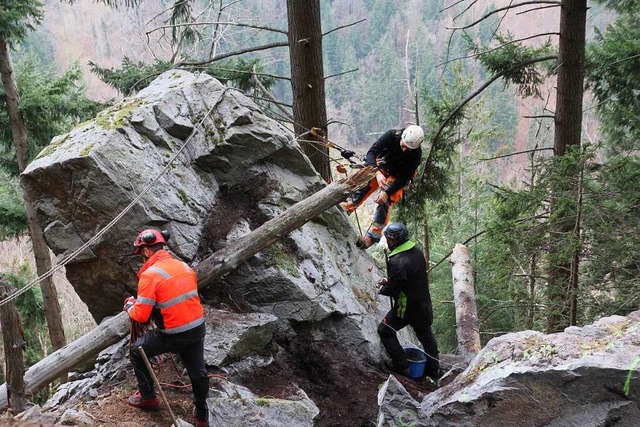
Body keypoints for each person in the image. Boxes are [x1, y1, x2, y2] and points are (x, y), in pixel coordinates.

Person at [123, 228, 210, 427]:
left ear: (146, 251)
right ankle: (202, 414)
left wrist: (129, 306)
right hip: (197, 328)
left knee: (137, 350)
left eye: (141, 253)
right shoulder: (184, 267)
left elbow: (141, 316)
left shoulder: (150, 275)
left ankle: (148, 397)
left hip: (173, 334)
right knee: (197, 371)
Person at [376, 223, 442, 383]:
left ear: (394, 240)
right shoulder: (416, 252)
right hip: (423, 305)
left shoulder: (396, 261)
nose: (387, 241)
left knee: (385, 330)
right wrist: (391, 281)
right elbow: (407, 278)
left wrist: (382, 289)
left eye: (388, 239)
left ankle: (402, 366)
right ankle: (435, 370)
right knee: (425, 334)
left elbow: (394, 289)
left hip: (407, 308)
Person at [342, 125, 425, 249]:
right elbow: (372, 153)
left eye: (408, 149)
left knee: (386, 199)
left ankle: (372, 237)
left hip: (396, 176)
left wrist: (387, 191)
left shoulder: (415, 154)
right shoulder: (392, 136)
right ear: (402, 137)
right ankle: (345, 209)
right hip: (380, 167)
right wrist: (377, 172)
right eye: (403, 146)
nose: (404, 150)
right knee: (364, 186)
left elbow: (404, 177)